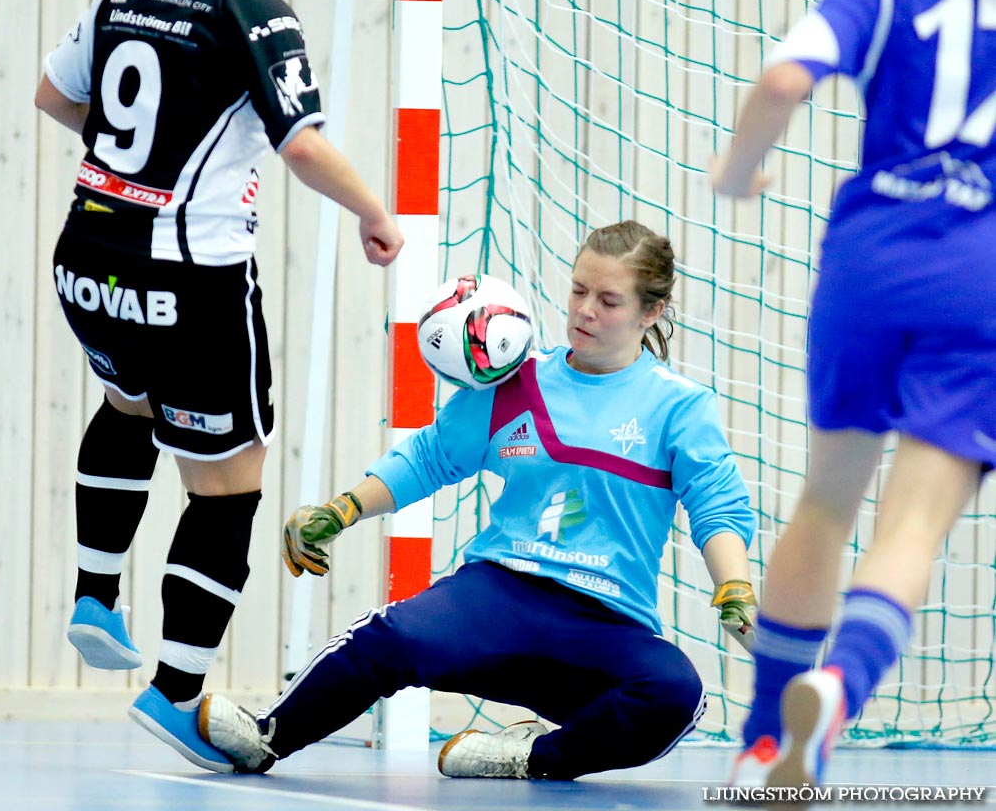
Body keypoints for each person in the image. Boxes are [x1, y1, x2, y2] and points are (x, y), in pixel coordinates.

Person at [33, 0, 403, 772]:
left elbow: (53, 95)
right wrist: (373, 212)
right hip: (190, 282)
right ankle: (176, 691)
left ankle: (93, 592)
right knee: (229, 486)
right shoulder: (258, 12)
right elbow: (303, 146)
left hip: (89, 257)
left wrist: (142, 162)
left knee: (126, 406)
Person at [194, 220, 758, 780]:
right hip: (498, 597)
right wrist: (341, 510)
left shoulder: (681, 407)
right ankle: (267, 738)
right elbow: (429, 458)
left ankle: (528, 759)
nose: (585, 310)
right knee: (386, 639)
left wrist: (734, 588)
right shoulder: (517, 381)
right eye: (579, 290)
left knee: (675, 695)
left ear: (650, 312)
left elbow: (717, 506)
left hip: (605, 623)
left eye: (609, 300)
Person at [711, 0, 996, 789]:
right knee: (911, 528)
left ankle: (760, 743)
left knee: (824, 504)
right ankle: (831, 695)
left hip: (868, 260)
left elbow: (783, 77)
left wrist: (738, 167)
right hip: (978, 272)